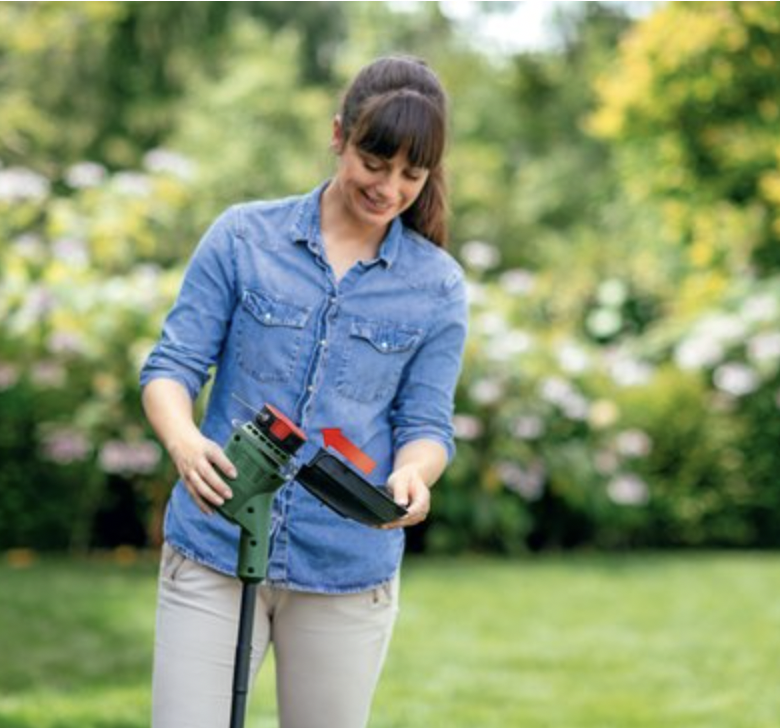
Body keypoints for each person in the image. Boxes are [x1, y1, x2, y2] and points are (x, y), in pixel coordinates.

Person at [140, 55, 468, 728]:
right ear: (339, 135)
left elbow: (427, 423)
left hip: (347, 568)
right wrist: (183, 439)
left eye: (413, 174)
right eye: (376, 164)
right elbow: (171, 365)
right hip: (215, 545)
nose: (390, 188)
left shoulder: (437, 286)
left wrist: (414, 475)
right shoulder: (243, 238)